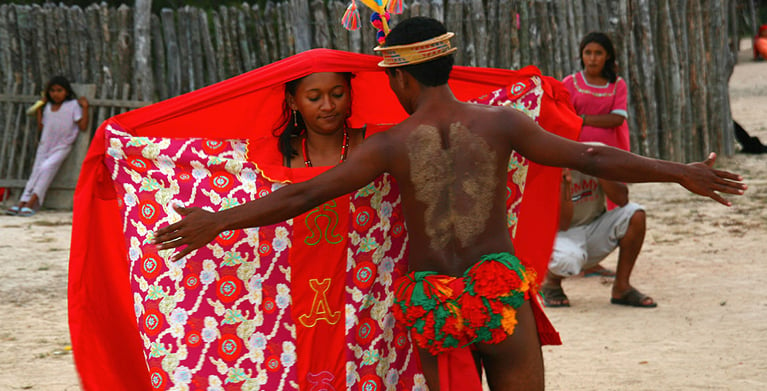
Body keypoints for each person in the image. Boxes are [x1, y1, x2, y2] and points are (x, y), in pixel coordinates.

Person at [154, 17, 746, 391]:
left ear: (403, 79)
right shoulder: (503, 124)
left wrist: (218, 221)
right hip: (498, 290)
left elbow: (307, 192)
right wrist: (680, 172)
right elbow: (589, 157)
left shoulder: (390, 144)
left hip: (431, 298)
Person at [542, 154, 654, 308]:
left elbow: (622, 199)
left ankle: (622, 287)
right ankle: (551, 282)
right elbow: (563, 223)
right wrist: (565, 185)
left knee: (636, 214)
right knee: (568, 261)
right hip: (560, 233)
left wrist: (598, 169)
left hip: (593, 225)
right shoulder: (546, 161)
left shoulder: (593, 153)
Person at [6, 76, 88, 216]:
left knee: (46, 168)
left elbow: (83, 126)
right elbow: (41, 127)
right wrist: (39, 109)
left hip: (62, 146)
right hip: (45, 145)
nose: (55, 94)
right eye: (52, 91)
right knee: (35, 173)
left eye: (59, 90)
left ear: (67, 92)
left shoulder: (73, 105)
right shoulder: (48, 107)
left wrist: (85, 108)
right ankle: (22, 202)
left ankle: (32, 203)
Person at [272, 72, 367, 167]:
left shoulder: (377, 142)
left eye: (337, 94)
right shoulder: (271, 156)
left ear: (349, 94)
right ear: (292, 101)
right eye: (314, 98)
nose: (328, 106)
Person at [563, 32, 630, 152]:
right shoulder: (569, 83)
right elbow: (564, 119)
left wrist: (582, 119)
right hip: (576, 154)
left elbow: (617, 119)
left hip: (611, 154)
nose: (592, 59)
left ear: (607, 56)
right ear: (582, 55)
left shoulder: (617, 85)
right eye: (588, 53)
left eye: (598, 53)